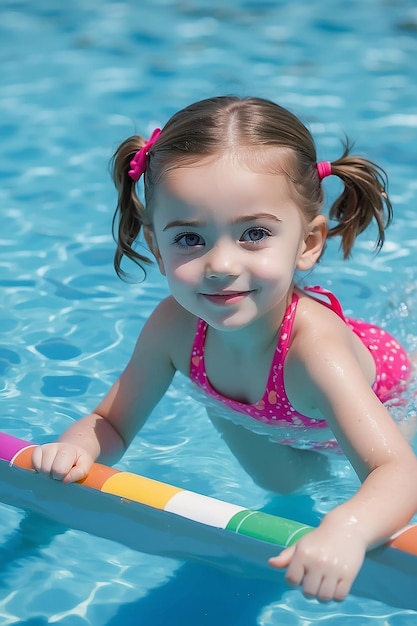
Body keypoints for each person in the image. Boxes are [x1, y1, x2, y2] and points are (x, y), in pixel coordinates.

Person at [32, 96, 417, 602]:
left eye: (254, 233)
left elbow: (396, 471)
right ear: (154, 244)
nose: (220, 264)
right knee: (282, 487)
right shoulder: (174, 326)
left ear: (308, 242)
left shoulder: (316, 353)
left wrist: (346, 528)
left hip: (393, 403)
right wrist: (76, 447)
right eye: (189, 238)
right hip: (276, 415)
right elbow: (113, 422)